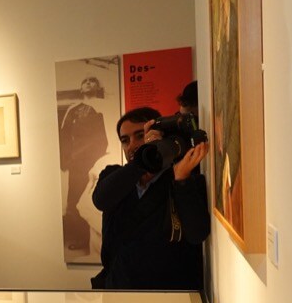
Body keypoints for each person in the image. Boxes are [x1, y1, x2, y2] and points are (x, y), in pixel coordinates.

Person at [90, 106, 210, 290]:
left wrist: (181, 181)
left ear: (162, 136)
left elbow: (197, 234)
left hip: (173, 296)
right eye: (125, 140)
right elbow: (101, 200)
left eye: (140, 136)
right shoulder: (114, 175)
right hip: (118, 289)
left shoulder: (184, 177)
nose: (132, 145)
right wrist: (144, 160)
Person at [58, 77, 109, 252]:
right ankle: (81, 238)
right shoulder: (73, 109)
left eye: (92, 80)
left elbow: (104, 135)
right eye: (85, 81)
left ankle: (99, 241)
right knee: (75, 200)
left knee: (95, 200)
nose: (88, 83)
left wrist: (99, 158)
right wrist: (66, 159)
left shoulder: (103, 106)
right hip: (76, 163)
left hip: (95, 161)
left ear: (98, 86)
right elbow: (64, 136)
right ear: (81, 87)